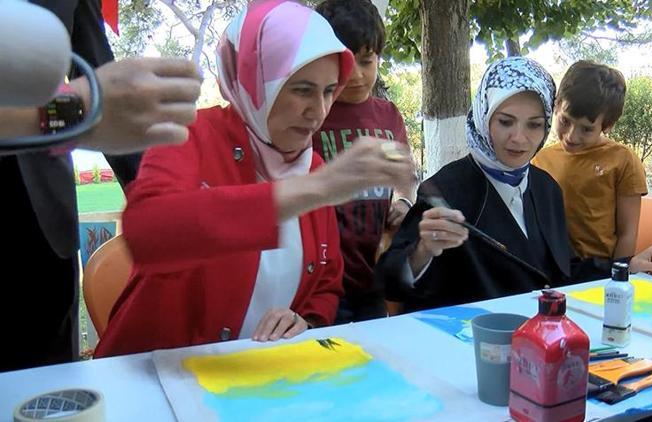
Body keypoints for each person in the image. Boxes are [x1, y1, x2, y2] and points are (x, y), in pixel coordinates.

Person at [94, 0, 415, 358]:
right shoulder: (191, 135)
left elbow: (326, 284)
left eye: (328, 91)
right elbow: (148, 231)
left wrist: (304, 321)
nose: (319, 111)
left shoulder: (313, 167)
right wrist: (314, 189)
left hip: (254, 384)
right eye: (301, 89)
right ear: (256, 80)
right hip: (152, 382)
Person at [375, 57, 652, 313]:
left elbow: (563, 271)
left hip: (539, 343)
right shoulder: (444, 192)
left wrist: (626, 267)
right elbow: (390, 283)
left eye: (533, 124)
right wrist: (423, 251)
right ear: (483, 116)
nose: (519, 138)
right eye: (505, 122)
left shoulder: (545, 188)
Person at [0, 0, 201, 372]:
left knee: (47, 388)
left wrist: (161, 205)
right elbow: (88, 107)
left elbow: (102, 79)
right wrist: (71, 113)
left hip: (42, 226)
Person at [313, 0, 416, 323]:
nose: (357, 75)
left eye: (366, 61)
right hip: (324, 281)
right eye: (345, 63)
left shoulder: (388, 116)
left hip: (374, 276)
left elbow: (405, 180)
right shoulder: (312, 114)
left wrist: (403, 202)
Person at [532, 61, 647, 281]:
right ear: (556, 106)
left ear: (608, 125)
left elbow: (627, 233)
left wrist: (616, 278)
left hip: (600, 272)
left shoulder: (623, 160)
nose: (572, 136)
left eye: (586, 129)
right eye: (565, 121)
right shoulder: (540, 159)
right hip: (552, 272)